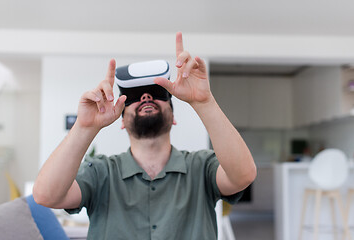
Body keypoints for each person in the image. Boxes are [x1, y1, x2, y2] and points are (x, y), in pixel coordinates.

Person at [33, 32, 257, 240]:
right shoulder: (100, 172)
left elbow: (243, 176)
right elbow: (46, 196)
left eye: (158, 93)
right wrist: (85, 126)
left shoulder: (201, 167)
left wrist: (204, 102)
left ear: (174, 116)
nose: (146, 96)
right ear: (121, 121)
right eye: (134, 96)